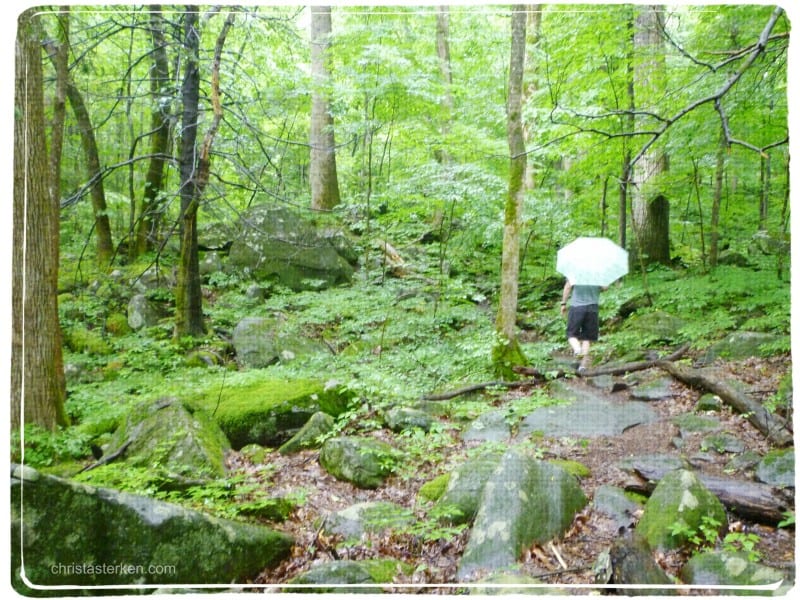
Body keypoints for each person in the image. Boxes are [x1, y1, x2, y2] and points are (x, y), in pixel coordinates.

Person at [560, 280, 603, 373]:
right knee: (587, 338)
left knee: (571, 334)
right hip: (593, 308)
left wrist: (563, 303)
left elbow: (568, 287)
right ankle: (582, 366)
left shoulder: (575, 272)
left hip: (577, 307)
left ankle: (578, 350)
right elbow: (605, 287)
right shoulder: (597, 274)